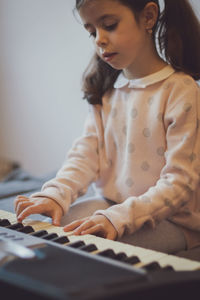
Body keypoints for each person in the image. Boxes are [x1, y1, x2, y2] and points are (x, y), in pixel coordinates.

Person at [15, 0, 200, 254]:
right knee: (53, 228)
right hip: (113, 203)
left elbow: (180, 183)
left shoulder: (181, 91)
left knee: (91, 248)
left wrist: (118, 217)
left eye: (109, 25)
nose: (99, 40)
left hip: (173, 220)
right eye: (92, 32)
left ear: (148, 17)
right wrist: (55, 194)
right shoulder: (106, 89)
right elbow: (85, 155)